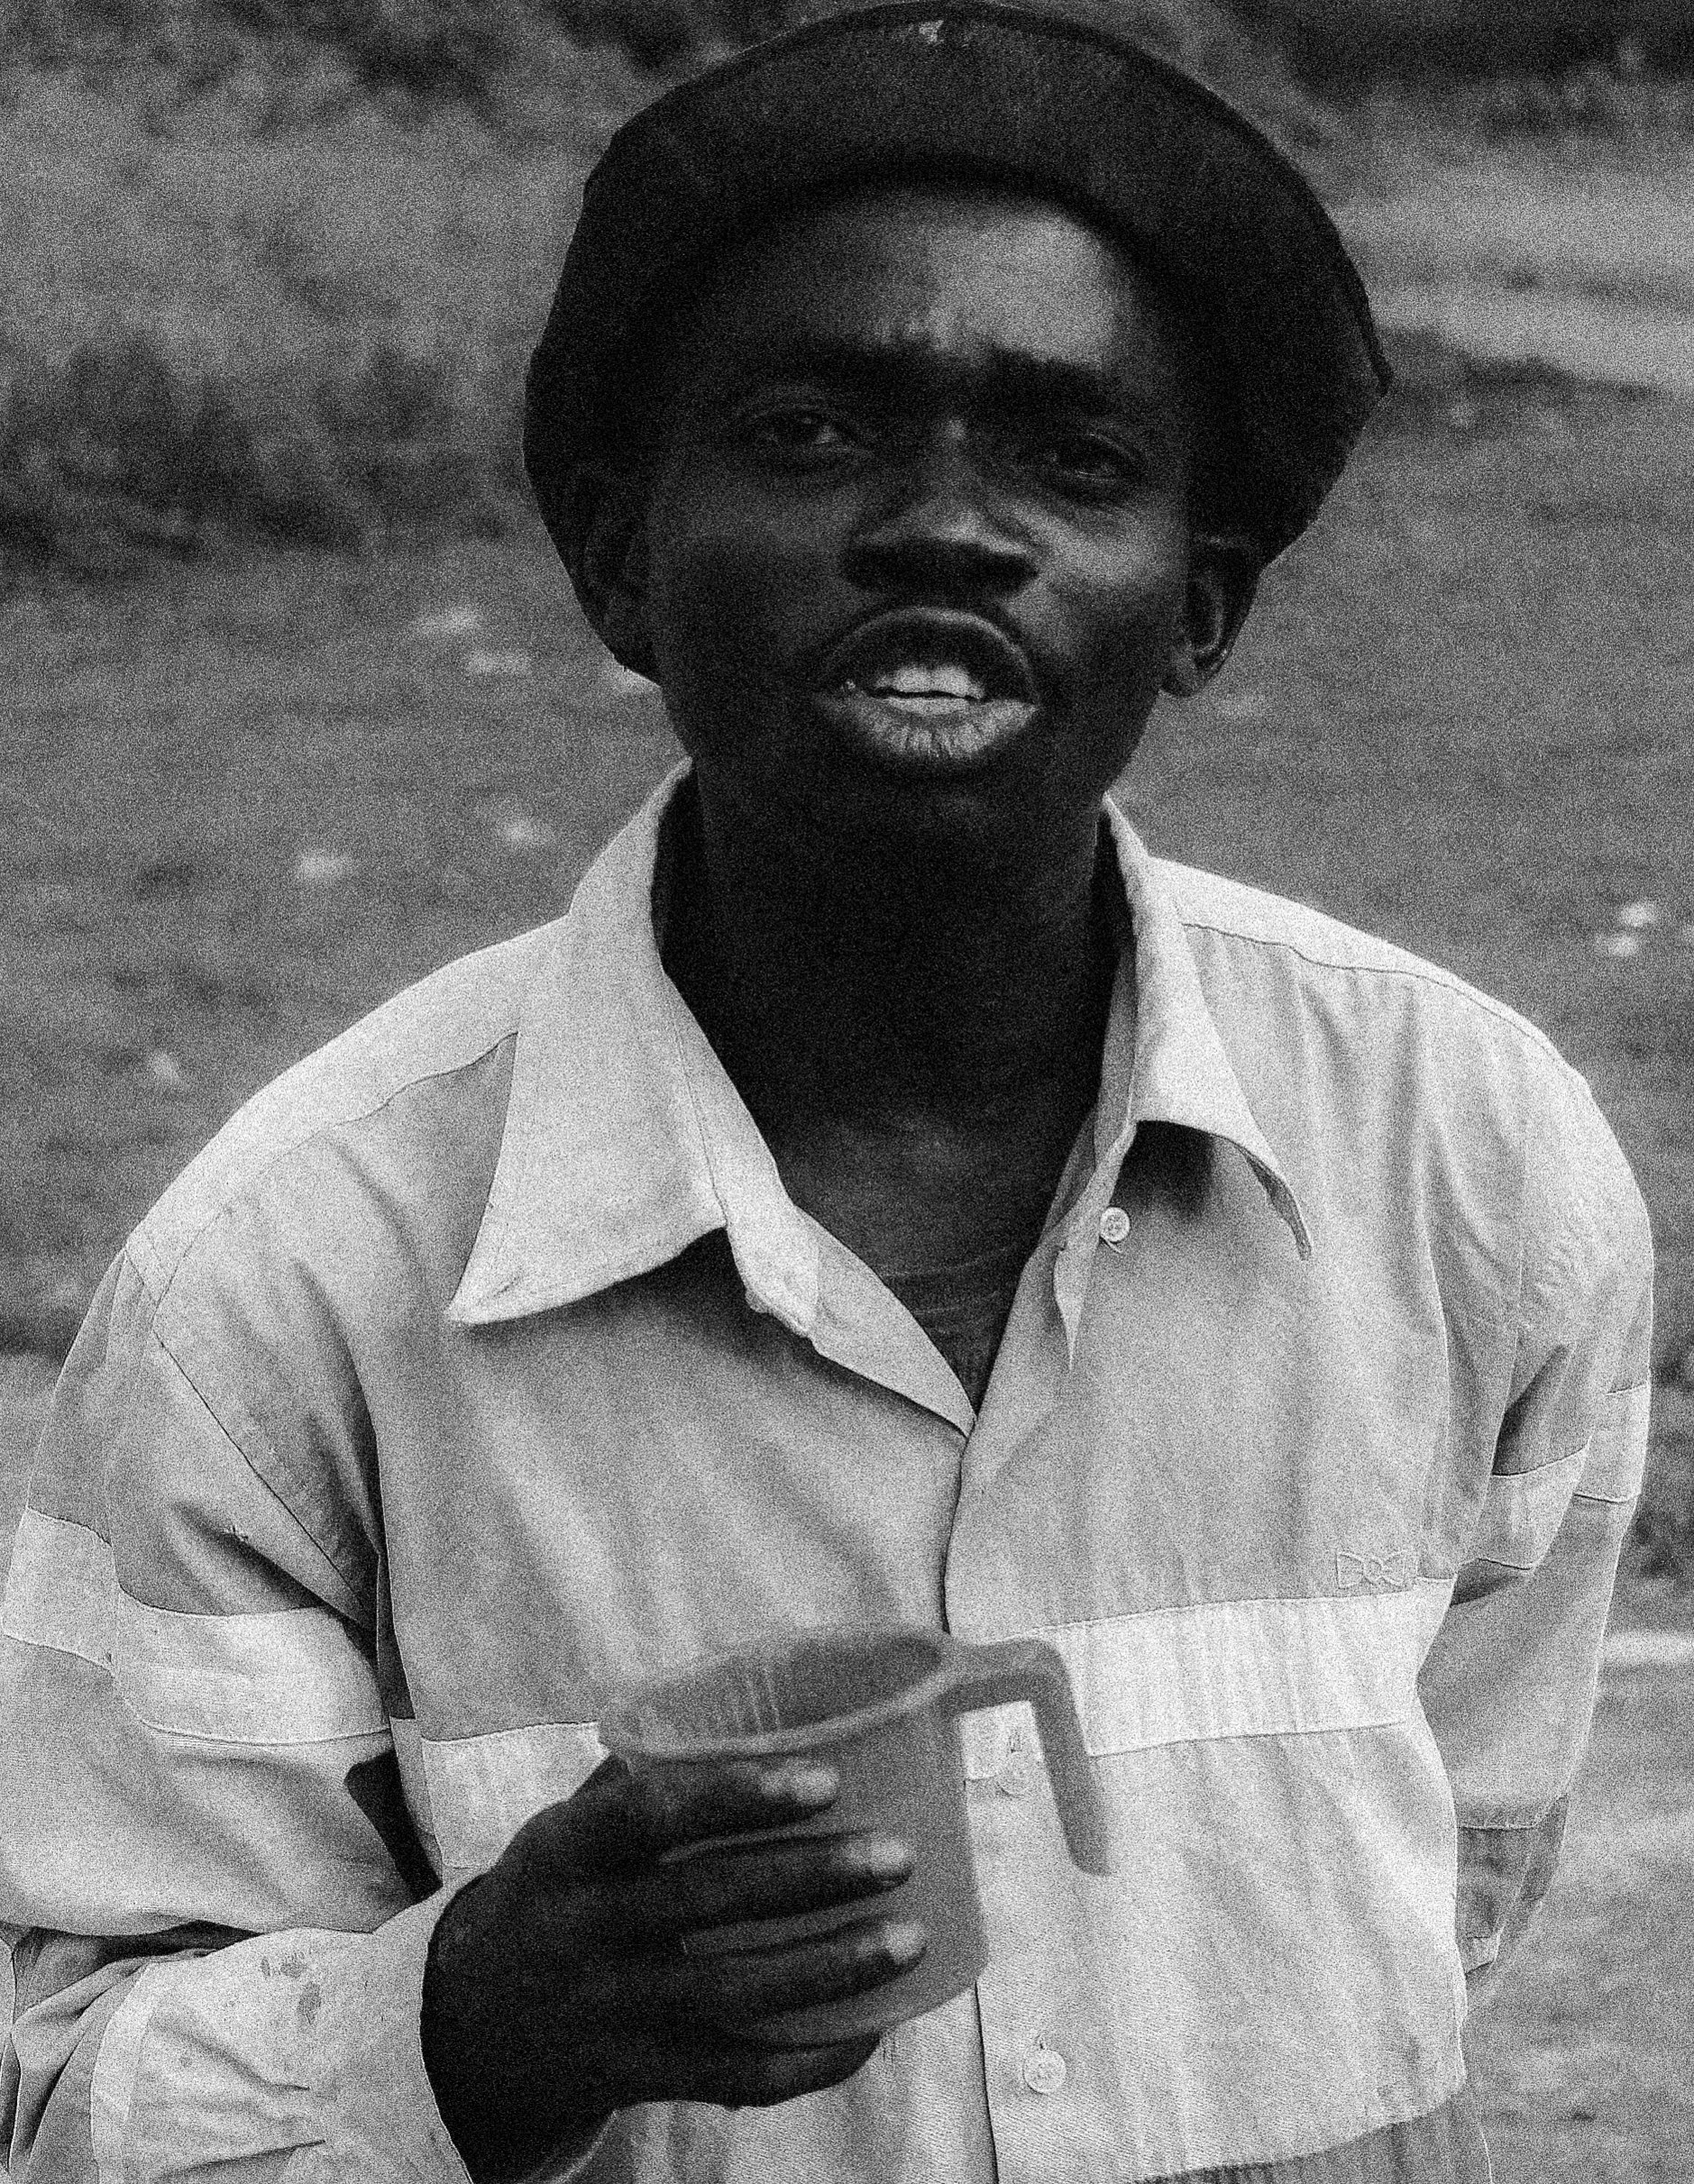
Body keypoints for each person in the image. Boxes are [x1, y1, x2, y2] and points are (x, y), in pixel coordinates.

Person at [0, 5, 1653, 2180]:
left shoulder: (1472, 1160)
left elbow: (1454, 1876)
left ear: (1201, 608)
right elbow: (65, 2092)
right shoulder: (284, 1285)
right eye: (809, 432)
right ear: (619, 559)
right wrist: (477, 2016)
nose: (945, 528)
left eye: (1072, 459)